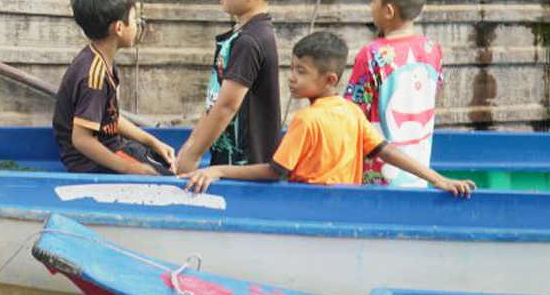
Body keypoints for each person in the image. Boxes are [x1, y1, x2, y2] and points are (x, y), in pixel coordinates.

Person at [182, 32, 474, 197]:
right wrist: (437, 178)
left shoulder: (306, 120)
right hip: (346, 204)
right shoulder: (352, 112)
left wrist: (216, 170)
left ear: (330, 80)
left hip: (307, 204)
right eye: (292, 69)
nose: (292, 78)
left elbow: (273, 172)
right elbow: (388, 152)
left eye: (301, 72)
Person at [174, 0, 286, 174]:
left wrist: (193, 155)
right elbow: (213, 103)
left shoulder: (250, 40)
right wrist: (191, 145)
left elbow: (226, 105)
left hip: (244, 166)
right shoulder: (242, 35)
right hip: (228, 160)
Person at [53, 0, 177, 175]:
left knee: (171, 165)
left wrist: (152, 141)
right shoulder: (93, 76)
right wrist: (130, 169)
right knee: (169, 180)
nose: (137, 26)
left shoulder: (101, 59)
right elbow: (82, 139)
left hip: (112, 145)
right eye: (135, 20)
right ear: (119, 28)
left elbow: (108, 117)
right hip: (91, 161)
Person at [346, 0, 443, 186]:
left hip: (376, 178)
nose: (371, 7)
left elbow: (353, 114)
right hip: (419, 173)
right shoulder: (432, 49)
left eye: (373, 1)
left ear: (388, 11)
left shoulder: (372, 55)